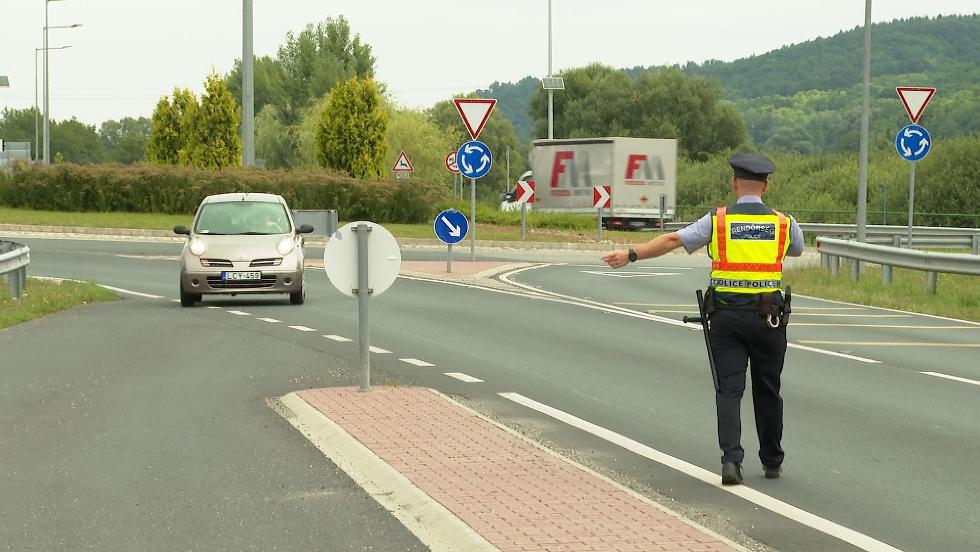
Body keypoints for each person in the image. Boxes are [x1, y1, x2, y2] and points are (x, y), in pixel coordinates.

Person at [601, 152, 804, 486]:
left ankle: (730, 462)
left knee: (729, 390)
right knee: (768, 389)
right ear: (766, 186)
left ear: (734, 183)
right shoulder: (784, 223)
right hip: (768, 319)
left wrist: (631, 254)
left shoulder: (718, 220)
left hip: (726, 317)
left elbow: (672, 239)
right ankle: (771, 460)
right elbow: (796, 250)